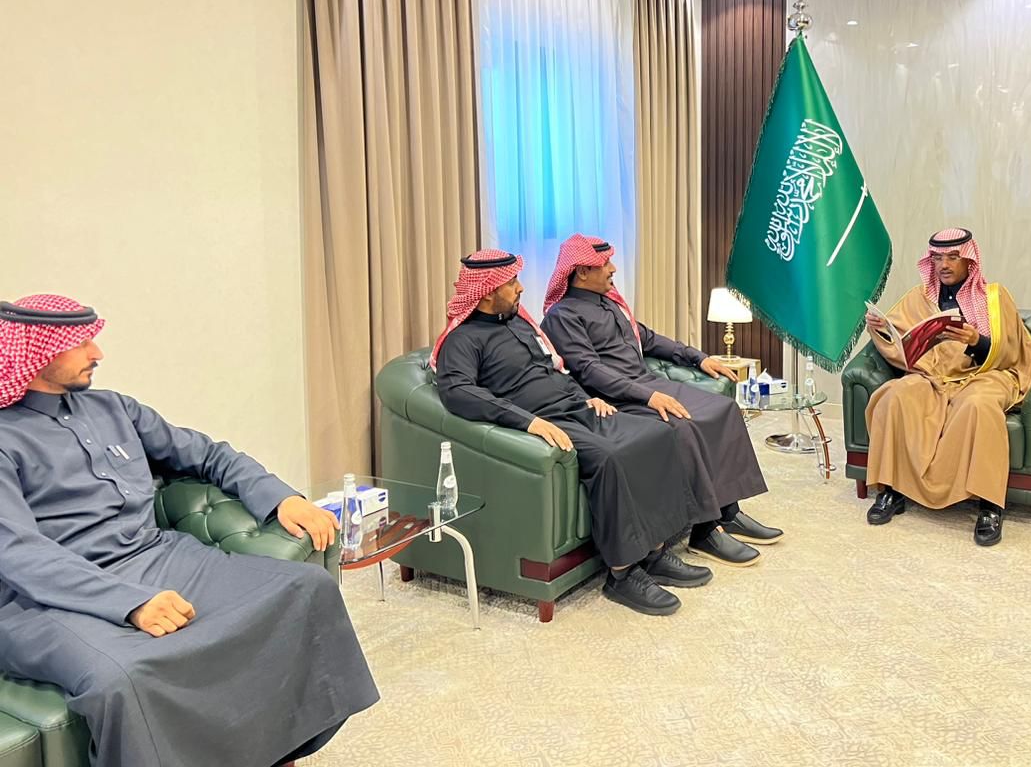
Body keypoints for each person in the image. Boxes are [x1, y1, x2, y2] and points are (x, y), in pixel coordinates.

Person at [0, 294, 379, 767]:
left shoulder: (114, 408)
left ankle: (275, 751)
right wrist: (130, 603)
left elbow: (207, 454)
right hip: (48, 598)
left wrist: (281, 497)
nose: (97, 353)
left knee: (306, 588)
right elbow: (19, 553)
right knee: (121, 678)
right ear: (36, 352)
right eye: (81, 343)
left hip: (155, 555)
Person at [432, 250, 710, 617]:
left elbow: (556, 371)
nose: (520, 288)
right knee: (609, 457)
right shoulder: (463, 340)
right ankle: (622, 574)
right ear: (486, 293)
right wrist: (528, 422)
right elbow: (458, 392)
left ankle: (655, 553)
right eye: (512, 283)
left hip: (577, 407)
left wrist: (587, 396)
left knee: (658, 434)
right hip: (544, 421)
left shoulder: (520, 324)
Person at [540, 234, 781, 567]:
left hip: (648, 385)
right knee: (682, 427)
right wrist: (649, 396)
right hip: (617, 398)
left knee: (723, 409)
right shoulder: (561, 316)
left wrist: (699, 358)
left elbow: (649, 340)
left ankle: (728, 511)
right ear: (581, 271)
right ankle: (704, 531)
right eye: (605, 263)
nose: (613, 269)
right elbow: (589, 370)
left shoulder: (610, 303)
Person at [862, 228, 1031, 546]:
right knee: (894, 396)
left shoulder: (994, 298)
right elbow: (898, 341)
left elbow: (1012, 353)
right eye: (937, 258)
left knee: (978, 406)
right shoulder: (918, 298)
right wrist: (880, 329)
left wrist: (976, 340)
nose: (943, 265)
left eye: (952, 257)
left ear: (969, 260)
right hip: (934, 376)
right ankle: (890, 490)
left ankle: (990, 505)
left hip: (985, 375)